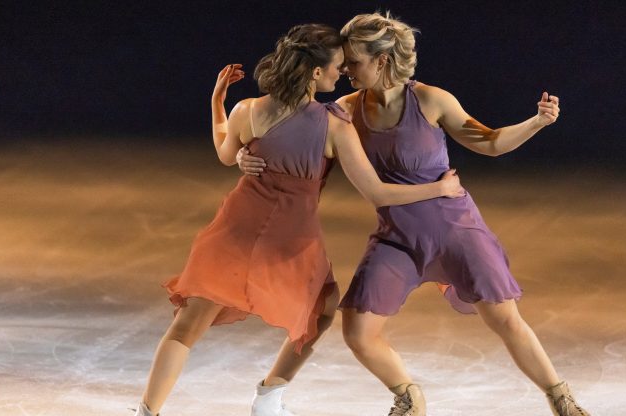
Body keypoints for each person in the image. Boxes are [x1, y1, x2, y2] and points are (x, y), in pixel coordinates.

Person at [237, 12, 591, 416]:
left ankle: (560, 399)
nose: (346, 69)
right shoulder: (344, 110)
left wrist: (537, 122)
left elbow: (490, 143)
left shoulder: (430, 100)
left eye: (354, 61)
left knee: (505, 319)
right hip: (397, 238)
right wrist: (248, 155)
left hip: (456, 230)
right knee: (358, 330)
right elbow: (301, 149)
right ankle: (409, 396)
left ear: (382, 61)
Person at [132, 23, 464, 416]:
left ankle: (147, 412)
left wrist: (218, 100)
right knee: (322, 311)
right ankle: (269, 399)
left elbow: (225, 152)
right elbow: (376, 191)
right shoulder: (334, 125)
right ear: (314, 73)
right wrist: (437, 190)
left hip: (237, 227)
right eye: (337, 66)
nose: (342, 72)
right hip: (291, 236)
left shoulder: (248, 110)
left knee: (190, 322)